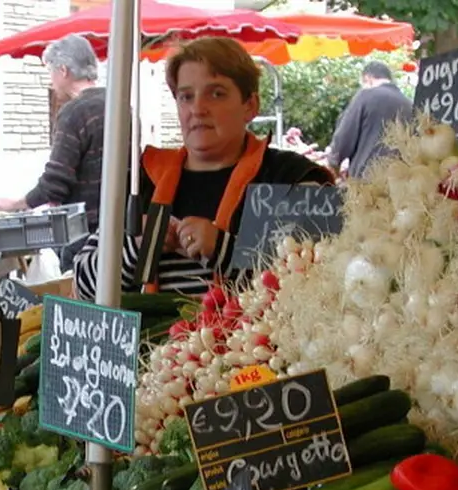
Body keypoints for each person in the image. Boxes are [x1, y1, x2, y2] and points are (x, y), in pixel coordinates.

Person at [73, 37, 333, 300]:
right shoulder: (141, 181)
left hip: (255, 340)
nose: (197, 109)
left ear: (250, 106)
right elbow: (83, 288)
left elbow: (321, 286)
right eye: (186, 96)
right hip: (152, 340)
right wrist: (134, 247)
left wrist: (223, 250)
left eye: (216, 93)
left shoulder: (293, 181)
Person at [0, 34, 105, 229]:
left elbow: (56, 181)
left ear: (63, 71)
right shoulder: (121, 106)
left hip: (84, 229)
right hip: (119, 227)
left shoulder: (74, 112)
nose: (51, 81)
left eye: (50, 72)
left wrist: (16, 204)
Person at [328, 61, 413, 180]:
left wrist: (333, 163)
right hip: (400, 181)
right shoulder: (409, 104)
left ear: (368, 78)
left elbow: (344, 137)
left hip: (366, 179)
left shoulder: (365, 96)